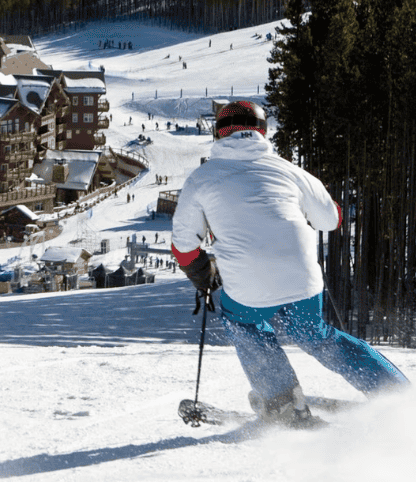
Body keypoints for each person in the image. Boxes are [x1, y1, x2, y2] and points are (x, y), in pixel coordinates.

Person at [172, 99, 408, 426]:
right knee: (315, 335)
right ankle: (396, 394)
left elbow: (184, 247)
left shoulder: (202, 177)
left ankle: (283, 401)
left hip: (247, 287)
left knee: (245, 323)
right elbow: (331, 219)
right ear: (262, 132)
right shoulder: (289, 170)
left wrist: (203, 274)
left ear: (219, 133)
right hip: (301, 278)